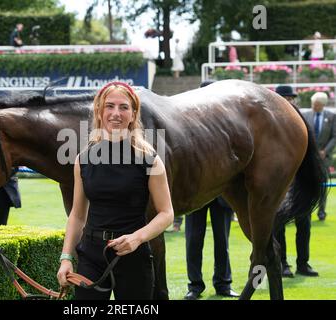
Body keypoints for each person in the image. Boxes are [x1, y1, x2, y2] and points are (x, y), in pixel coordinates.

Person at [56, 81, 174, 300]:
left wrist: (137, 239)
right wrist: (66, 258)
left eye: (124, 107)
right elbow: (78, 215)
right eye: (109, 106)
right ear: (99, 112)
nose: (116, 113)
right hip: (90, 256)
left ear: (133, 114)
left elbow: (167, 214)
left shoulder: (150, 161)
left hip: (132, 256)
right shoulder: (83, 160)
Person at [183, 79, 239, 300]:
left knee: (222, 241)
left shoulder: (227, 125)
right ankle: (195, 286)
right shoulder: (188, 123)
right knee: (193, 241)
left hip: (222, 192)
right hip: (195, 191)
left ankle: (223, 284)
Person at [274, 85, 320, 278]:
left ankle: (303, 263)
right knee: (279, 225)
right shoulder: (272, 124)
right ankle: (283, 263)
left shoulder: (302, 121)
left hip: (300, 181)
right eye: (285, 98)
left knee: (304, 224)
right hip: (280, 181)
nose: (289, 102)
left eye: (291, 98)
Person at [303, 91, 335, 221]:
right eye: (313, 104)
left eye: (316, 105)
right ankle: (305, 210)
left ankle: (321, 211)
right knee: (305, 184)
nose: (314, 107)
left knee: (322, 186)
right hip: (307, 156)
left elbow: (334, 136)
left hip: (324, 158)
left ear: (323, 105)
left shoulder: (332, 117)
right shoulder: (305, 115)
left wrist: (325, 151)